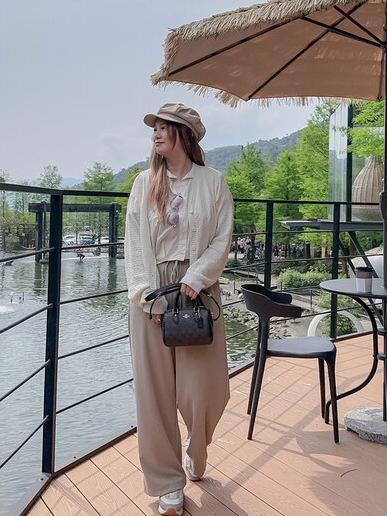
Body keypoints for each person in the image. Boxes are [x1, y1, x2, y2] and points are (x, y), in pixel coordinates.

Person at [124, 103, 234, 516]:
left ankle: (196, 447)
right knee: (153, 393)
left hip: (199, 290)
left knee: (207, 388)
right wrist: (147, 296)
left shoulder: (213, 182)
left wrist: (198, 276)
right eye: (154, 127)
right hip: (152, 290)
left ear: (185, 134)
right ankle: (168, 482)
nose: (156, 133)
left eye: (164, 127)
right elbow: (135, 244)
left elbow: (222, 238)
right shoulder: (144, 183)